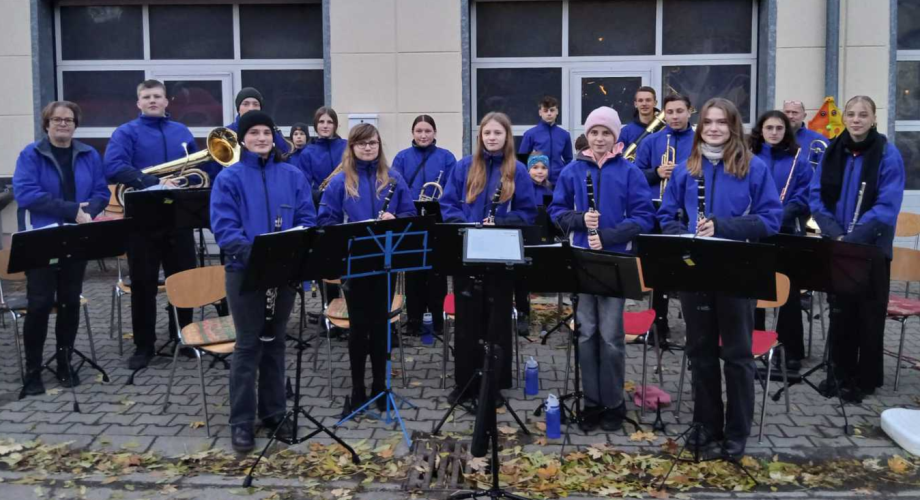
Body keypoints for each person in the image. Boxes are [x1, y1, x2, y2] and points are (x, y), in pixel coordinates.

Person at [657, 98, 782, 458]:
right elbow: (667, 215)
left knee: (739, 354)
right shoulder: (685, 169)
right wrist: (683, 234)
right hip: (695, 270)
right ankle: (705, 425)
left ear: (733, 127)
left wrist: (722, 227)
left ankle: (736, 430)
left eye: (722, 122)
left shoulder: (753, 168)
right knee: (700, 352)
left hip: (736, 269)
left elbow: (770, 219)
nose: (713, 128)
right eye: (708, 122)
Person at [210, 111, 316, 452]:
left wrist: (290, 251)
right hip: (245, 271)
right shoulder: (229, 178)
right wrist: (256, 254)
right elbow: (225, 227)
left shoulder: (292, 174)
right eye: (253, 132)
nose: (261, 137)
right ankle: (241, 422)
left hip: (282, 271)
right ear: (243, 139)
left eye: (266, 132)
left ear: (274, 136)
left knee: (276, 342)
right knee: (247, 345)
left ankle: (275, 413)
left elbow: (306, 217)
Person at [549, 106, 655, 432]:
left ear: (615, 137)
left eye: (606, 133)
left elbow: (644, 218)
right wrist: (581, 221)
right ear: (587, 135)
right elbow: (556, 211)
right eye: (594, 132)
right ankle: (591, 402)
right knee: (586, 334)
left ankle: (613, 402)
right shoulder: (572, 171)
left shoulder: (630, 172)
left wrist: (608, 235)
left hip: (614, 261)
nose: (599, 138)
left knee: (611, 336)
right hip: (581, 260)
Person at [808, 95, 905, 402]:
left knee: (868, 314)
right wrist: (835, 233)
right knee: (840, 312)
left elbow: (887, 206)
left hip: (871, 247)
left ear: (873, 119)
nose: (857, 119)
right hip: (838, 244)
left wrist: (854, 238)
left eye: (863, 114)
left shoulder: (888, 155)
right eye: (851, 114)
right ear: (845, 118)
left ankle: (864, 379)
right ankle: (838, 372)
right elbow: (815, 196)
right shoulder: (832, 152)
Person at [13, 101, 110, 395]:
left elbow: (101, 191)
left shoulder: (88, 154)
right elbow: (27, 194)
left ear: (75, 124)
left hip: (76, 237)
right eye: (57, 120)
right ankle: (33, 370)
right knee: (40, 303)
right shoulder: (30, 154)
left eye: (68, 120)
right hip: (41, 237)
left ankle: (65, 361)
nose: (63, 124)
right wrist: (72, 210)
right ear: (47, 124)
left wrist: (90, 210)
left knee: (69, 301)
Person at [318, 123, 416, 413]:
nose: (368, 147)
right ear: (352, 147)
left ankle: (381, 387)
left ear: (379, 145)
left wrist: (394, 218)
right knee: (360, 329)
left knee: (382, 326)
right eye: (361, 144)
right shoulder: (339, 182)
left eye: (372, 143)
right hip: (355, 264)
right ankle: (358, 389)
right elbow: (325, 221)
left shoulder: (394, 178)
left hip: (385, 263)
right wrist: (347, 230)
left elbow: (410, 215)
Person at [440, 112, 537, 403]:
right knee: (468, 320)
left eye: (497, 133)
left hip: (501, 252)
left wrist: (501, 223)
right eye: (487, 133)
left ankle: (493, 384)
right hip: (468, 250)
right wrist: (467, 224)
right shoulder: (464, 167)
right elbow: (447, 204)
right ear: (480, 136)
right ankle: (466, 383)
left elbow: (528, 212)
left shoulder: (517, 170)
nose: (492, 138)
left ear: (507, 137)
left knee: (496, 321)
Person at [104, 79, 199, 370]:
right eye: (147, 96)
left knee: (183, 282)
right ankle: (144, 346)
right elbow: (113, 166)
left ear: (167, 101)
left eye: (157, 96)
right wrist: (153, 181)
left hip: (179, 219)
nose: (153, 101)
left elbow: (197, 168)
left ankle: (183, 336)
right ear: (138, 103)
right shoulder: (126, 132)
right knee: (143, 284)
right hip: (142, 221)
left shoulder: (181, 132)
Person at [749, 110, 813, 371]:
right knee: (754, 292)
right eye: (769, 128)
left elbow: (805, 196)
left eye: (779, 128)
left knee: (788, 294)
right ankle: (753, 346)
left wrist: (781, 213)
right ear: (761, 131)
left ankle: (790, 351)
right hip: (755, 232)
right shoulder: (749, 158)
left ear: (786, 131)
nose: (774, 132)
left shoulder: (799, 160)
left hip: (786, 231)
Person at [634, 93, 695, 340]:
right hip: (657, 211)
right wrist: (656, 172)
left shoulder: (699, 141)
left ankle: (696, 324)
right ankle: (658, 324)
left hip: (688, 216)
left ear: (690, 111)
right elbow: (636, 175)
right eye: (669, 112)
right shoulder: (651, 141)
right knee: (658, 272)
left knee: (689, 270)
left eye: (680, 111)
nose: (674, 116)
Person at [391, 115, 456, 338]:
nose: (423, 135)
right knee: (413, 273)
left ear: (435, 133)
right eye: (419, 131)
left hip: (437, 220)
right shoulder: (401, 157)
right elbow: (396, 187)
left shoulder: (447, 157)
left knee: (436, 273)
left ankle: (437, 320)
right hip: (412, 220)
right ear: (413, 133)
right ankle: (414, 320)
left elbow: (452, 188)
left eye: (428, 131)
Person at [512, 152, 554, 336]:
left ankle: (526, 313)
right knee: (519, 277)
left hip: (542, 237)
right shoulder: (522, 188)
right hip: (523, 236)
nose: (539, 171)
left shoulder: (551, 190)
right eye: (535, 168)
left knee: (529, 278)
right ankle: (520, 312)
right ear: (527, 170)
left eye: (543, 168)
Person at [519, 96, 573, 185]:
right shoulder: (530, 134)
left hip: (559, 181)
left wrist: (564, 175)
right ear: (540, 112)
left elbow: (568, 159)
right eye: (545, 110)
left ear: (557, 112)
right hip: (537, 181)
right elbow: (522, 159)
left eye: (552, 110)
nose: (549, 113)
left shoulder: (564, 135)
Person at [299, 106, 348, 201]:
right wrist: (319, 195)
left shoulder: (347, 147)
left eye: (330, 122)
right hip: (321, 205)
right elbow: (304, 186)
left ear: (335, 125)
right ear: (315, 125)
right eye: (321, 122)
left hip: (347, 202)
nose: (325, 126)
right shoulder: (307, 152)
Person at [226, 87, 291, 156]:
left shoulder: (270, 131)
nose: (251, 108)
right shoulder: (227, 132)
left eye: (255, 104)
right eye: (246, 104)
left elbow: (284, 153)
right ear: (238, 109)